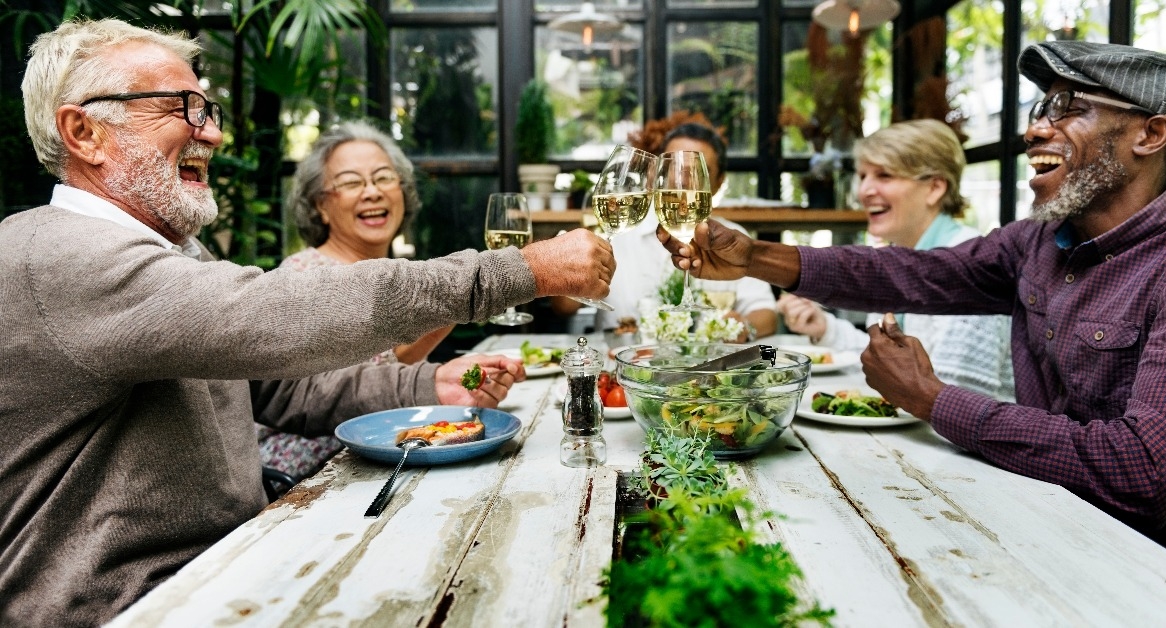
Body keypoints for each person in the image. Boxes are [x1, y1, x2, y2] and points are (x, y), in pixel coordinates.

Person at [0, 18, 614, 627]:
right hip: (122, 606)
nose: (211, 134)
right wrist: (519, 270)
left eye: (207, 109)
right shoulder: (59, 256)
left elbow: (282, 387)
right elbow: (279, 315)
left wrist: (427, 389)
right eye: (181, 108)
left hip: (232, 565)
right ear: (84, 132)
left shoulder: (169, 251)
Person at [659, 41, 1166, 564]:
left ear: (1150, 133)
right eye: (1040, 108)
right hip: (1035, 519)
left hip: (1139, 566)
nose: (1035, 129)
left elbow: (1147, 469)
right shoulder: (1038, 241)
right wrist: (753, 257)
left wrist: (931, 399)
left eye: (1068, 109)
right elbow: (912, 271)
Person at [260, 120, 455, 480]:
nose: (372, 192)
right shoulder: (305, 276)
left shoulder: (398, 272)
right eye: (351, 182)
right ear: (320, 205)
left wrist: (459, 299)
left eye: (383, 177)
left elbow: (392, 363)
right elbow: (336, 393)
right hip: (308, 476)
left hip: (380, 457)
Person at [777, 120, 1014, 401]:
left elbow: (954, 400)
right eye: (863, 175)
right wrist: (824, 327)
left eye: (884, 176)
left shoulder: (967, 265)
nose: (864, 191)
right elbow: (885, 363)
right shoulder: (901, 256)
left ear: (935, 188)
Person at [552, 120, 777, 341]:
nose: (681, 182)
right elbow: (562, 306)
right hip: (619, 365)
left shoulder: (733, 239)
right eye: (672, 169)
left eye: (697, 172)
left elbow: (767, 313)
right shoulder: (621, 229)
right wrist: (571, 278)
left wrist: (744, 328)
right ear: (654, 175)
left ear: (718, 183)